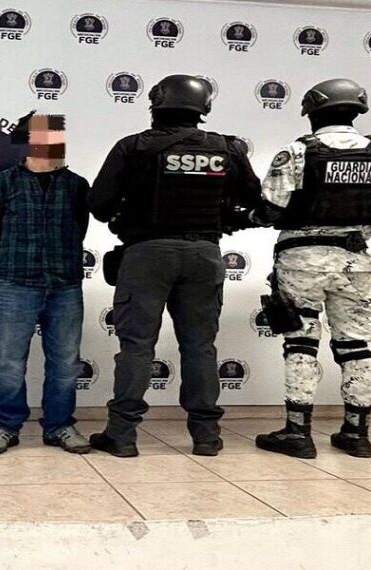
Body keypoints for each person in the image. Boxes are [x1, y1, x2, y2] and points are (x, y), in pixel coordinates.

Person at [88, 74, 262, 458]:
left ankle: (122, 436)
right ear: (203, 107)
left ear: (156, 103)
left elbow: (99, 205)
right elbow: (254, 201)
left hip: (147, 254)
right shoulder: (227, 149)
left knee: (136, 347)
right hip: (204, 255)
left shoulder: (133, 147)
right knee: (200, 346)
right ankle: (206, 436)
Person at [251, 78, 371, 459]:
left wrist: (247, 217)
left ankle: (297, 433)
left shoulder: (298, 152)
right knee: (355, 346)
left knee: (300, 341)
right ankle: (356, 434)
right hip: (356, 261)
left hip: (302, 260)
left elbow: (270, 208)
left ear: (313, 112)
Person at [0, 112, 92, 455]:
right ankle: (5, 425)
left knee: (65, 362)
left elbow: (80, 228)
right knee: (8, 362)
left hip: (65, 283)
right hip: (15, 281)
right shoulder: (2, 183)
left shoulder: (77, 185)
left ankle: (59, 426)